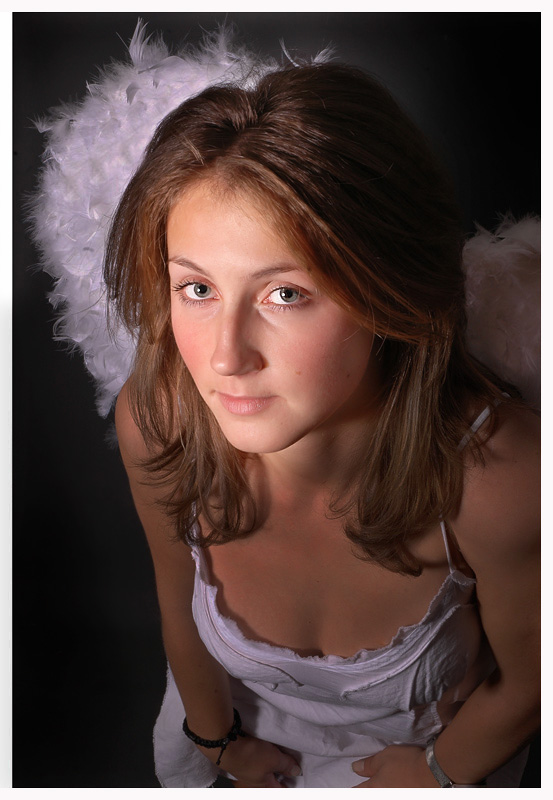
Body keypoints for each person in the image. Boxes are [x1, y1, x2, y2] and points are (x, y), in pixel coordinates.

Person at [100, 58, 540, 788]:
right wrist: (216, 742)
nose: (226, 357)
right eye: (198, 288)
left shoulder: (501, 478)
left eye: (285, 294)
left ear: (390, 293)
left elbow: (532, 678)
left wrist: (439, 771)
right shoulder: (158, 425)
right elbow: (177, 603)